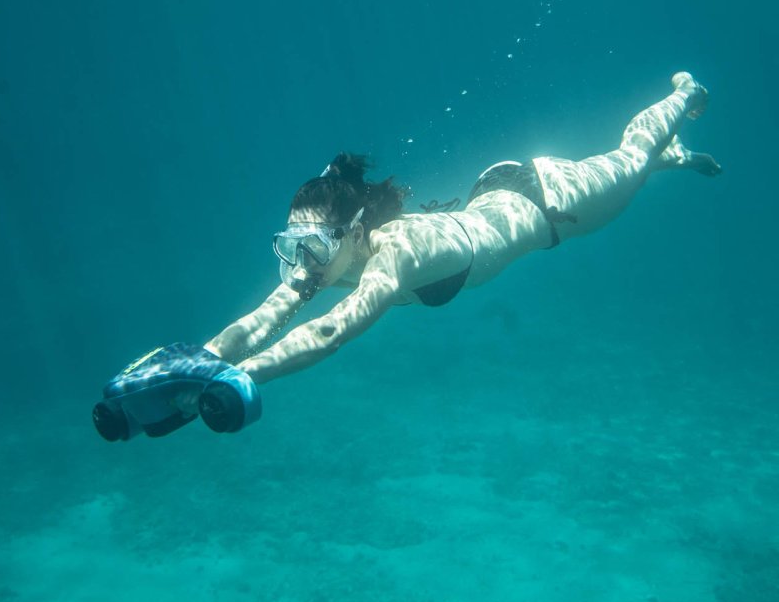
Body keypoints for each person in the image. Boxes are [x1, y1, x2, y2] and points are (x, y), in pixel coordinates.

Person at [205, 72, 720, 385]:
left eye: (313, 247)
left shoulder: (396, 254)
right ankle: (671, 159)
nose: (302, 264)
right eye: (292, 246)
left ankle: (684, 94)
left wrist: (243, 375)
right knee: (637, 166)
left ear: (355, 232)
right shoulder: (319, 263)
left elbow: (331, 330)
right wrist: (200, 358)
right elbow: (257, 321)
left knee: (629, 158)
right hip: (490, 191)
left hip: (553, 203)